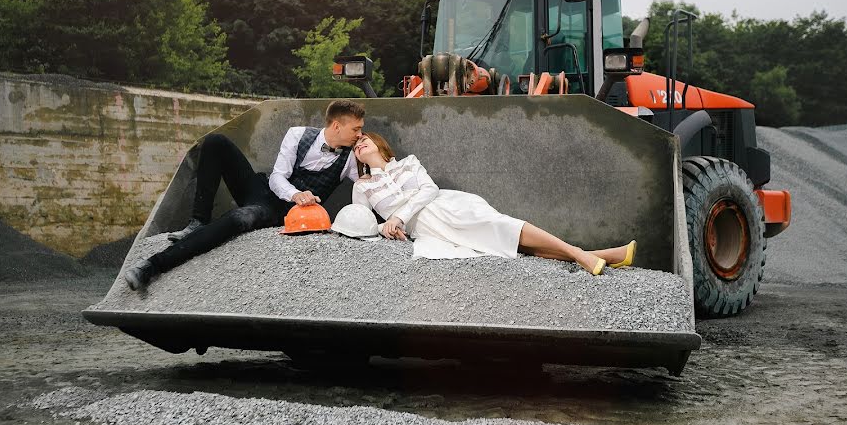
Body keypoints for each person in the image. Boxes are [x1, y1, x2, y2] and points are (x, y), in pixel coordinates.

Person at [124, 100, 366, 290]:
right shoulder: (297, 134)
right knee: (215, 142)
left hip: (279, 213)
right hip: (264, 189)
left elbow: (368, 186)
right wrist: (296, 194)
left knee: (240, 218)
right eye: (356, 128)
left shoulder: (349, 160)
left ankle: (151, 267)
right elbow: (277, 177)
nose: (359, 134)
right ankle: (197, 222)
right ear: (337, 125)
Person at [351, 133, 635, 275]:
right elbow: (361, 223)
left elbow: (429, 189)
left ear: (379, 143)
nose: (359, 145)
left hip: (448, 207)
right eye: (354, 147)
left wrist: (398, 216)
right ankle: (604, 255)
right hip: (427, 229)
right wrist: (385, 228)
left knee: (503, 228)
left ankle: (579, 254)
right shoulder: (362, 186)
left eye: (363, 139)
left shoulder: (408, 163)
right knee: (507, 247)